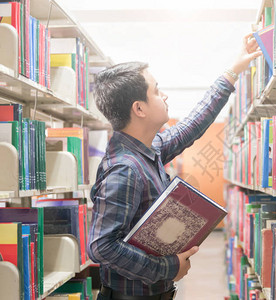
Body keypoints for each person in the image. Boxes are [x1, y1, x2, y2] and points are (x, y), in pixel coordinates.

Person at [88, 33, 262, 300]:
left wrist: (233, 71)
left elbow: (191, 126)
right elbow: (102, 246)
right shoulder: (125, 169)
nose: (165, 96)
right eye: (157, 91)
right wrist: (168, 267)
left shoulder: (149, 149)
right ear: (139, 109)